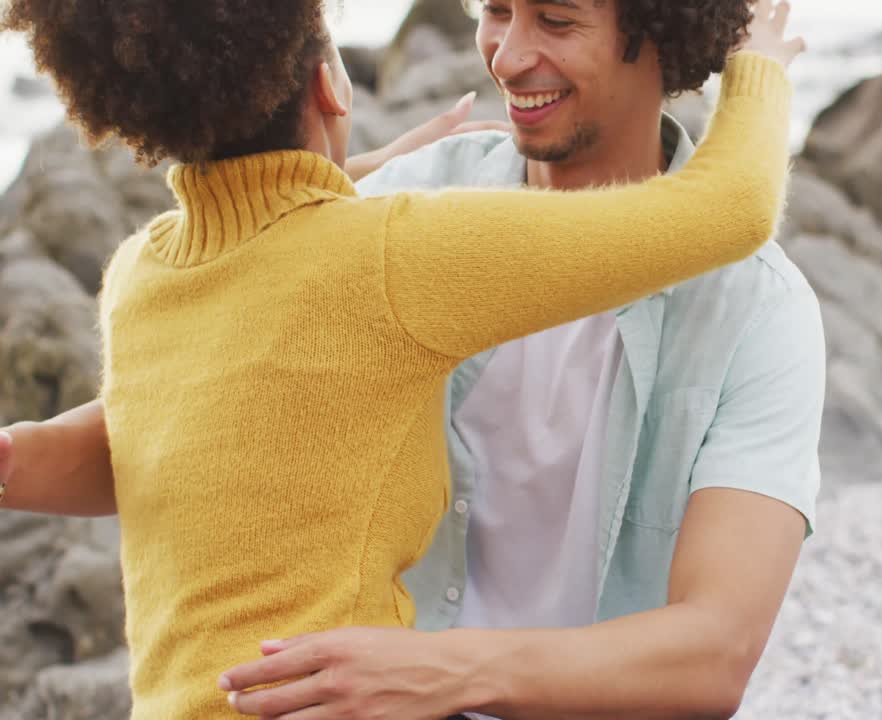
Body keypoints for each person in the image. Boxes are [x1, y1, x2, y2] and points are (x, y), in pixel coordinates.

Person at [0, 0, 805, 718]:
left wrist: (441, 673)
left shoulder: (756, 307)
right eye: (495, 10)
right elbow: (215, 400)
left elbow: (715, 652)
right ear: (333, 88)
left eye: (555, 20)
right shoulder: (394, 233)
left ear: (662, 29)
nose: (509, 54)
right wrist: (759, 64)